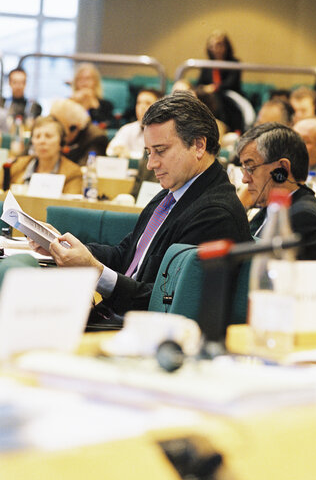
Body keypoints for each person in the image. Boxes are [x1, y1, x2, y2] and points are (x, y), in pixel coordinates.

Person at [31, 92, 253, 319]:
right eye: (148, 152)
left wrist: (96, 272)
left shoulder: (215, 214)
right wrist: (64, 249)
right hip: (116, 316)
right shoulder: (172, 193)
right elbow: (125, 255)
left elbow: (166, 304)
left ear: (198, 145)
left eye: (161, 150)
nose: (151, 163)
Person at [237, 122, 316, 262]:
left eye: (250, 167)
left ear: (282, 169)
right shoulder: (276, 209)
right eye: (243, 169)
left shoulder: (304, 218)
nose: (244, 179)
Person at [0, 115, 82, 194]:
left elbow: (70, 205)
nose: (42, 141)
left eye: (48, 136)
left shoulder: (73, 173)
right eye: (37, 136)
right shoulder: (15, 166)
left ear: (61, 142)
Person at [196, 30, 244, 131]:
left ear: (226, 46)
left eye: (219, 45)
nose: (215, 49)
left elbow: (231, 83)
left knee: (219, 97)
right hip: (211, 98)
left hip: (230, 97)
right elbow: (199, 84)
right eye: (212, 45)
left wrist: (213, 88)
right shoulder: (207, 65)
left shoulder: (234, 63)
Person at [106, 88, 163, 159]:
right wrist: (118, 150)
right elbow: (110, 150)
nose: (141, 107)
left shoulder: (164, 133)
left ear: (159, 108)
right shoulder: (128, 128)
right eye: (139, 103)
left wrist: (129, 154)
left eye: (147, 103)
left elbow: (155, 158)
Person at [50, 98, 108, 166]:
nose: (55, 131)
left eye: (60, 127)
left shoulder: (96, 138)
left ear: (74, 128)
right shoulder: (54, 138)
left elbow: (85, 168)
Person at [71, 63, 115, 129]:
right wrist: (74, 103)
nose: (84, 83)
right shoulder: (68, 103)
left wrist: (94, 107)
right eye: (80, 79)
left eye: (87, 78)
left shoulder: (106, 104)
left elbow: (107, 125)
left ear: (95, 82)